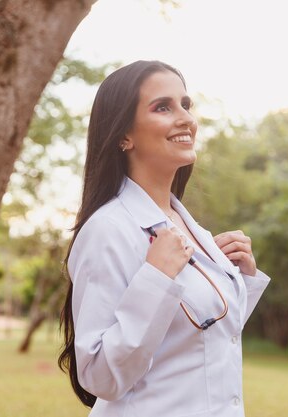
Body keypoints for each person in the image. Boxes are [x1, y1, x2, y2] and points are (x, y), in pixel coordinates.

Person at [58, 60, 271, 417]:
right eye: (163, 107)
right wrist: (155, 279)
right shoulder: (108, 229)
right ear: (124, 135)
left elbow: (199, 341)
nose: (186, 118)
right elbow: (99, 375)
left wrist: (241, 281)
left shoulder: (192, 231)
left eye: (185, 105)